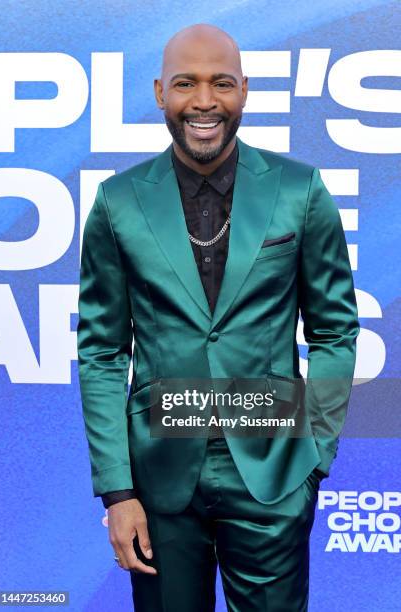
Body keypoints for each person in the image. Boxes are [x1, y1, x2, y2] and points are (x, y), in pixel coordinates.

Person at [77, 23, 359, 612]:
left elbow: (334, 330)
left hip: (273, 471)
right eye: (186, 84)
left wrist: (315, 454)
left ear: (245, 91)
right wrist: (118, 491)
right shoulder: (117, 203)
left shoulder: (300, 191)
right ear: (160, 93)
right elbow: (103, 353)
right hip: (157, 483)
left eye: (220, 84)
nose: (204, 101)